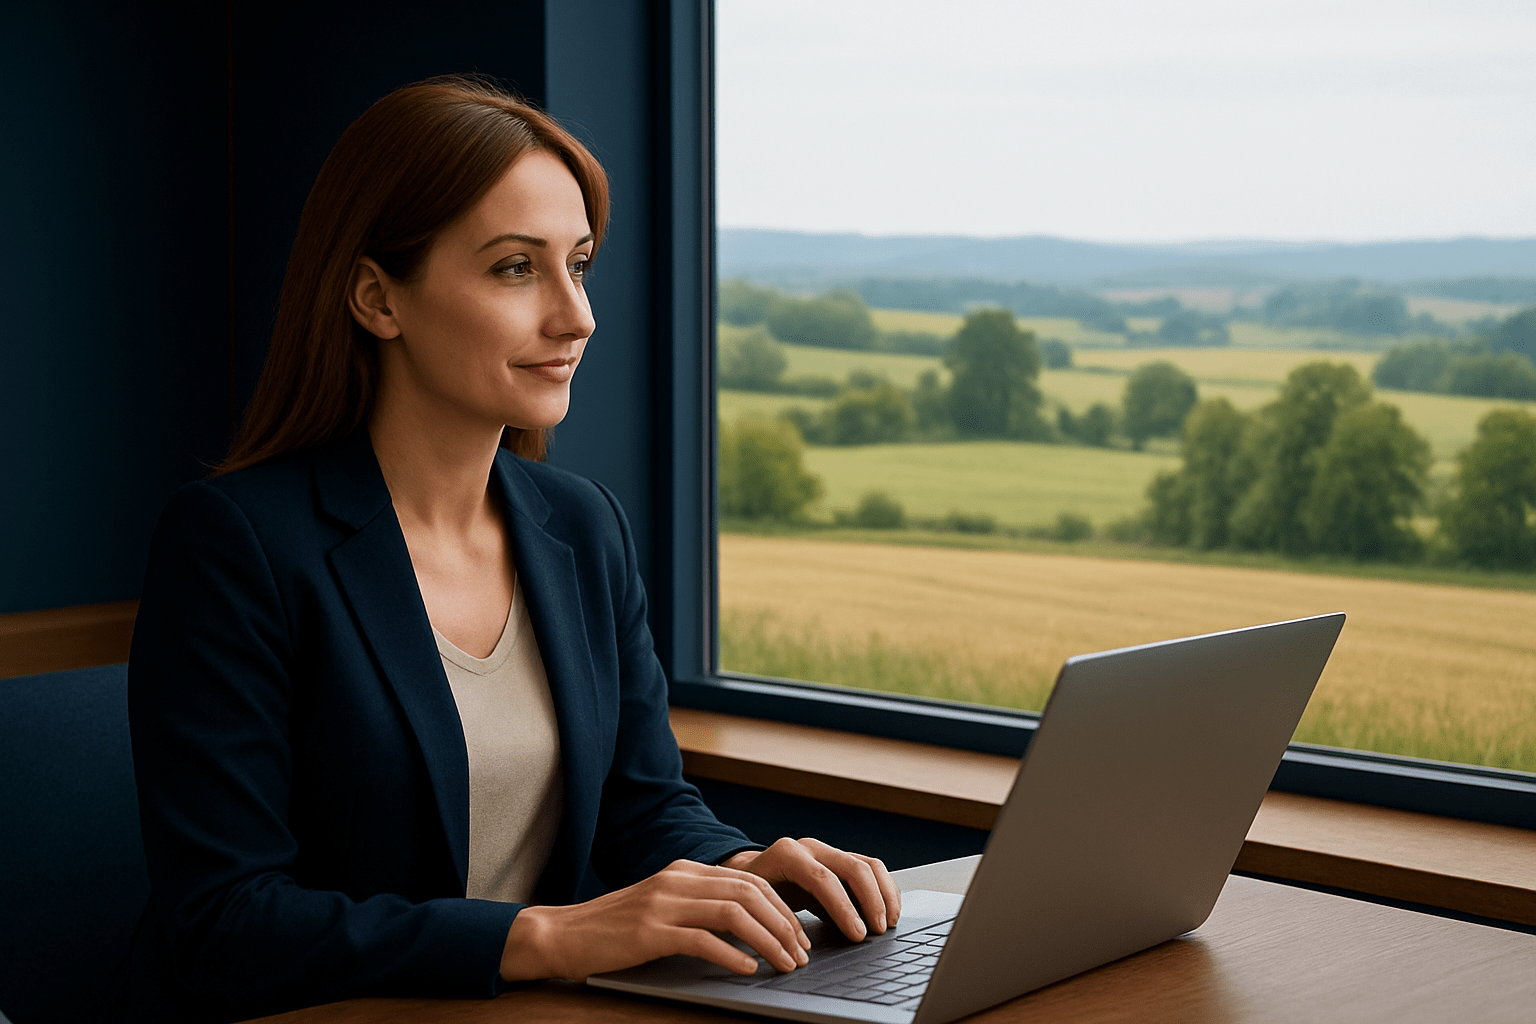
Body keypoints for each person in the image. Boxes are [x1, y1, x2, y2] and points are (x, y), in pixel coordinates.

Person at [121, 77, 900, 1023]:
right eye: (514, 269)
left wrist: (740, 869)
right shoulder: (237, 545)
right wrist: (544, 935)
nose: (576, 317)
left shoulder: (582, 525)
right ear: (377, 298)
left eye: (579, 263)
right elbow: (222, 922)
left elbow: (643, 808)